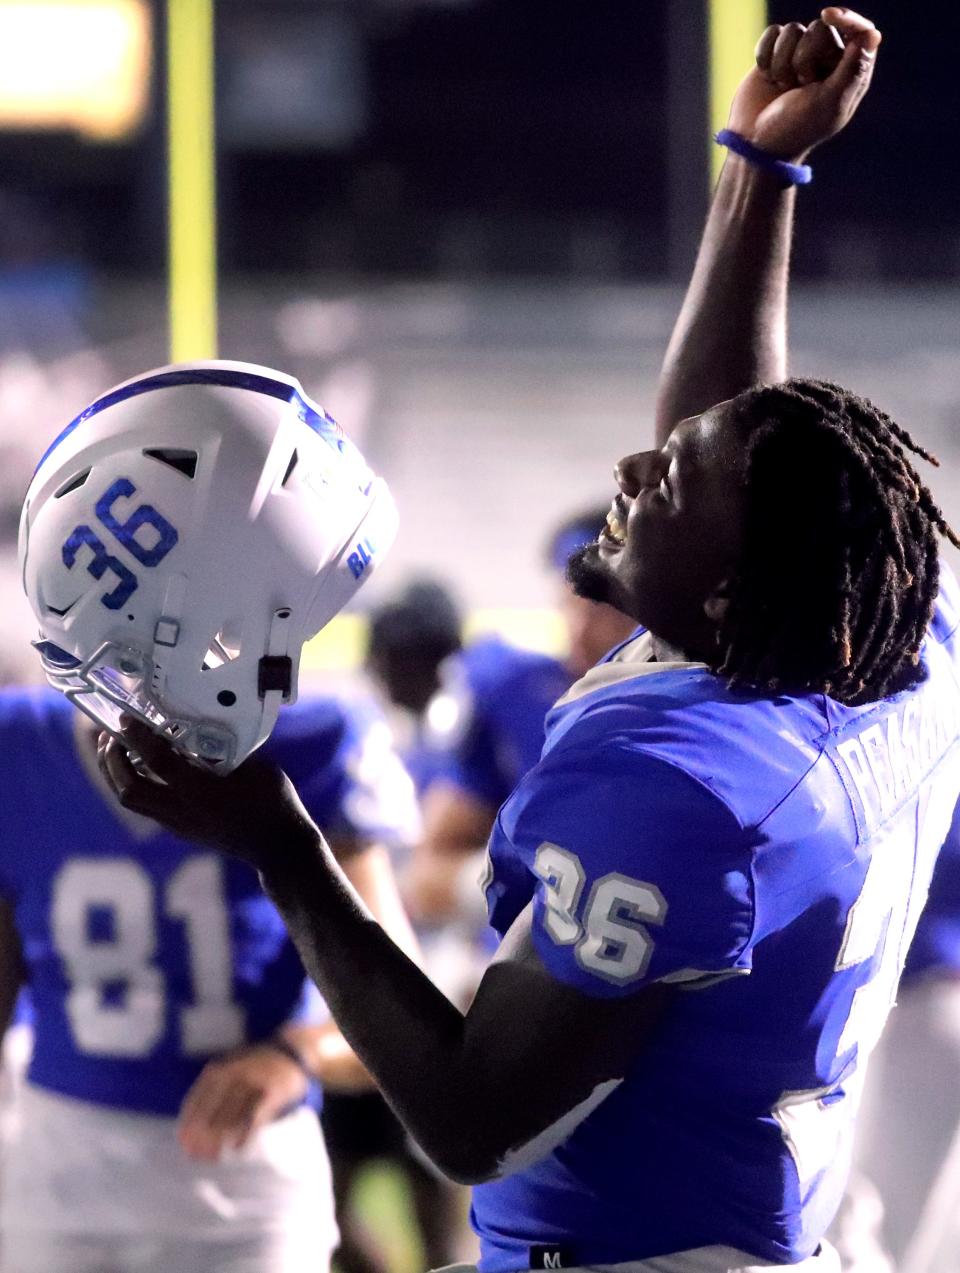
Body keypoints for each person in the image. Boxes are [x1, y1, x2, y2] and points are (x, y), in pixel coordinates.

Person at [93, 11, 960, 1273]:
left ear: (724, 596)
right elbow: (736, 444)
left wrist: (275, 833)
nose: (632, 467)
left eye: (663, 487)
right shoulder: (889, 647)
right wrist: (759, 172)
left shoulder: (682, 792)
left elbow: (474, 1117)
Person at [0, 686, 419, 1273]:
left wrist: (293, 1057)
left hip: (249, 1187)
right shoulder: (16, 742)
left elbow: (403, 1021)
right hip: (61, 1177)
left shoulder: (309, 737)